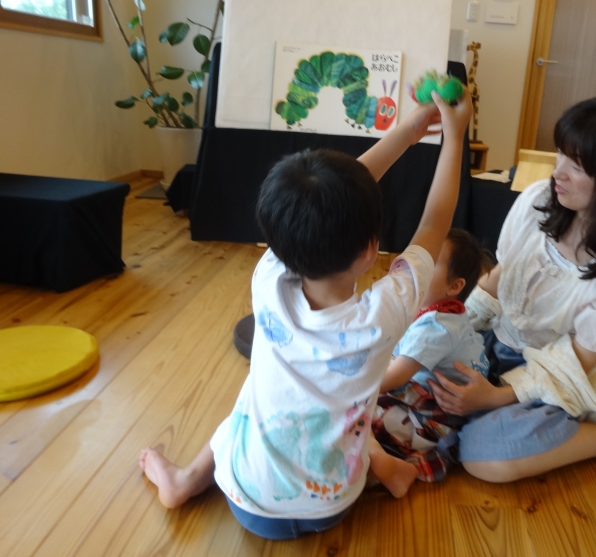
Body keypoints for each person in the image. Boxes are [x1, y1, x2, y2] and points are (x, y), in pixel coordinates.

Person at [138, 89, 473, 540]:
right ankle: (385, 470)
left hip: (248, 503)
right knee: (343, 417)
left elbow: (338, 196)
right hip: (331, 507)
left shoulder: (268, 278)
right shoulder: (384, 315)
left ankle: (184, 481)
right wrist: (453, 136)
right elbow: (434, 224)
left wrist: (408, 131)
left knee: (249, 402)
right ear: (370, 249)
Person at [427, 94, 596, 491]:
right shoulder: (538, 200)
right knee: (418, 374)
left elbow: (574, 362)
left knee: (485, 457)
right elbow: (499, 278)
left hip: (558, 372)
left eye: (577, 166)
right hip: (498, 342)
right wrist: (447, 324)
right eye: (561, 154)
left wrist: (493, 398)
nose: (557, 173)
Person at [368, 229, 492, 490]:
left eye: (430, 264)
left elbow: (393, 378)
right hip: (425, 396)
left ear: (454, 287)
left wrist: (346, 389)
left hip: (439, 418)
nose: (416, 269)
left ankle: (390, 467)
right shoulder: (441, 312)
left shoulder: (437, 327)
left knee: (357, 413)